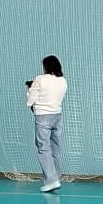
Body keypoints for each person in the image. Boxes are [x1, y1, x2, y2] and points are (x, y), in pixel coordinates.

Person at [27, 55, 68, 192]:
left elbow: (30, 101)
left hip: (43, 117)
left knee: (43, 148)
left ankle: (51, 180)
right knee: (55, 148)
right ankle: (56, 177)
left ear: (46, 66)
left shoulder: (40, 79)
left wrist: (30, 89)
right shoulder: (63, 81)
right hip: (57, 116)